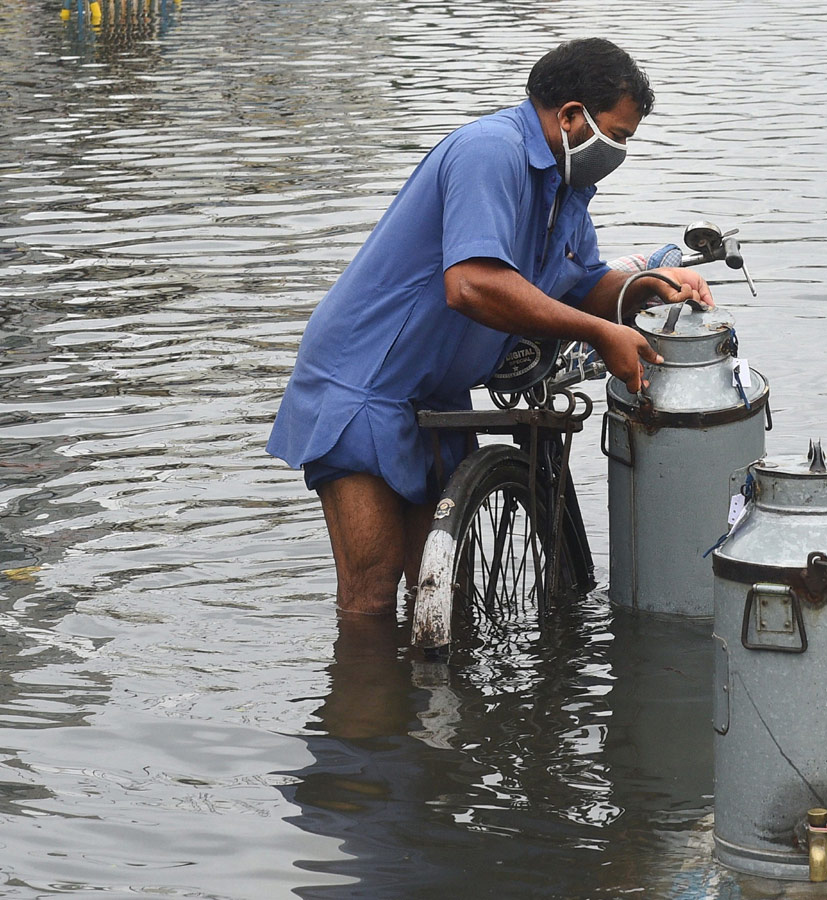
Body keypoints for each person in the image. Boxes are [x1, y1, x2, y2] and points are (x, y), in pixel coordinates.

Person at [267, 38, 712, 617]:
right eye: (618, 136)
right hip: (364, 383)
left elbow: (580, 286)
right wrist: (602, 334)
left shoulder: (567, 189)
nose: (619, 151)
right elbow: (473, 284)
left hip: (436, 391)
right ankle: (369, 701)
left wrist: (643, 288)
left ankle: (427, 704)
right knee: (371, 597)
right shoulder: (491, 152)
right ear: (572, 115)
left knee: (441, 593)